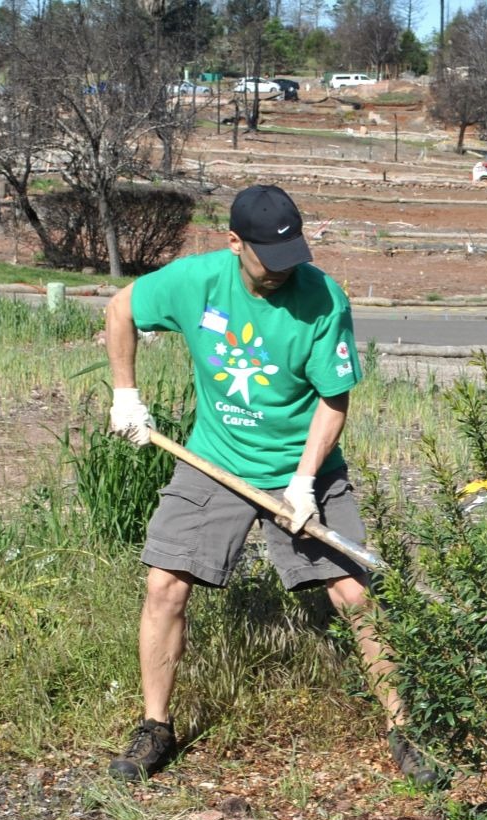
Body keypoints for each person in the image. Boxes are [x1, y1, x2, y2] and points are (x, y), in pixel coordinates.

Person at [102, 183, 432, 786]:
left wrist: (304, 484)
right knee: (164, 587)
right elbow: (121, 307)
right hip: (214, 461)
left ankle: (406, 728)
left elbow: (335, 400)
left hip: (301, 465)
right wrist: (126, 394)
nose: (282, 272)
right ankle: (155, 726)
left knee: (356, 595)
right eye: (267, 260)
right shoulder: (195, 282)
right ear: (234, 243)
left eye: (291, 259)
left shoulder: (323, 299)